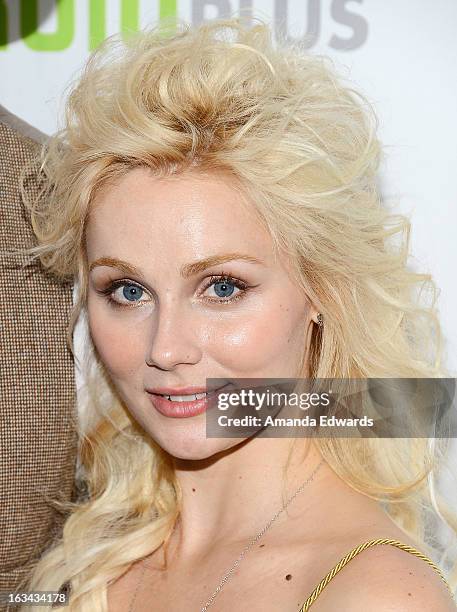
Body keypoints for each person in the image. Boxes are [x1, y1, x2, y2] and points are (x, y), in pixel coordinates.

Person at [8, 17, 457, 611]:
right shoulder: (78, 553)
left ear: (321, 290)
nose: (165, 348)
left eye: (221, 288)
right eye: (127, 291)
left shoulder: (375, 595)